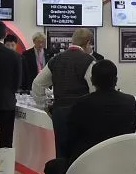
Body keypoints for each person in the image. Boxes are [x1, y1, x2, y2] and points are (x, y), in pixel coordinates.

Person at [48, 60, 136, 174]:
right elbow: (131, 130)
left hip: (87, 169)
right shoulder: (129, 101)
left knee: (53, 168)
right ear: (116, 79)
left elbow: (70, 137)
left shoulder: (81, 104)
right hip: (121, 167)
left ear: (92, 80)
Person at [31, 28, 96, 160]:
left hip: (59, 111)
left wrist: (44, 106)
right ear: (88, 43)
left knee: (61, 152)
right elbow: (94, 88)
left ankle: (62, 173)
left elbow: (37, 83)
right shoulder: (89, 60)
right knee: (81, 153)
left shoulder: (56, 59)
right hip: (81, 112)